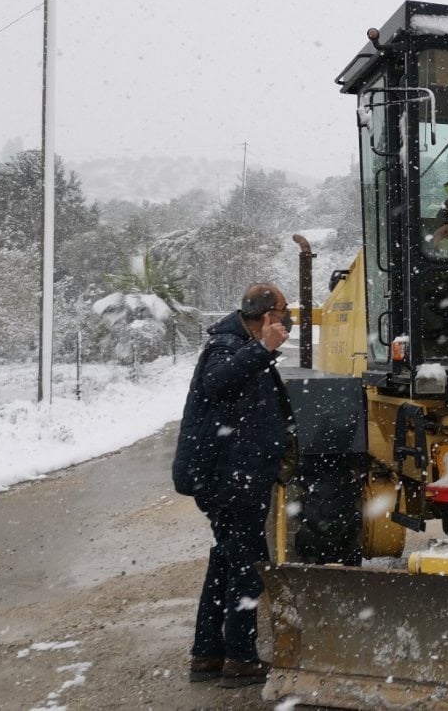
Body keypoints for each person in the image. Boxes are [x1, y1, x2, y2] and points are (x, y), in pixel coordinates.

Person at [171, 282, 295, 688]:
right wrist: (262, 349)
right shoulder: (228, 345)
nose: (287, 322)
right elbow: (216, 382)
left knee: (226, 559)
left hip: (233, 473)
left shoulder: (237, 343)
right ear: (265, 316)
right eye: (282, 314)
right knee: (245, 564)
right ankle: (240, 658)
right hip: (229, 478)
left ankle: (207, 652)